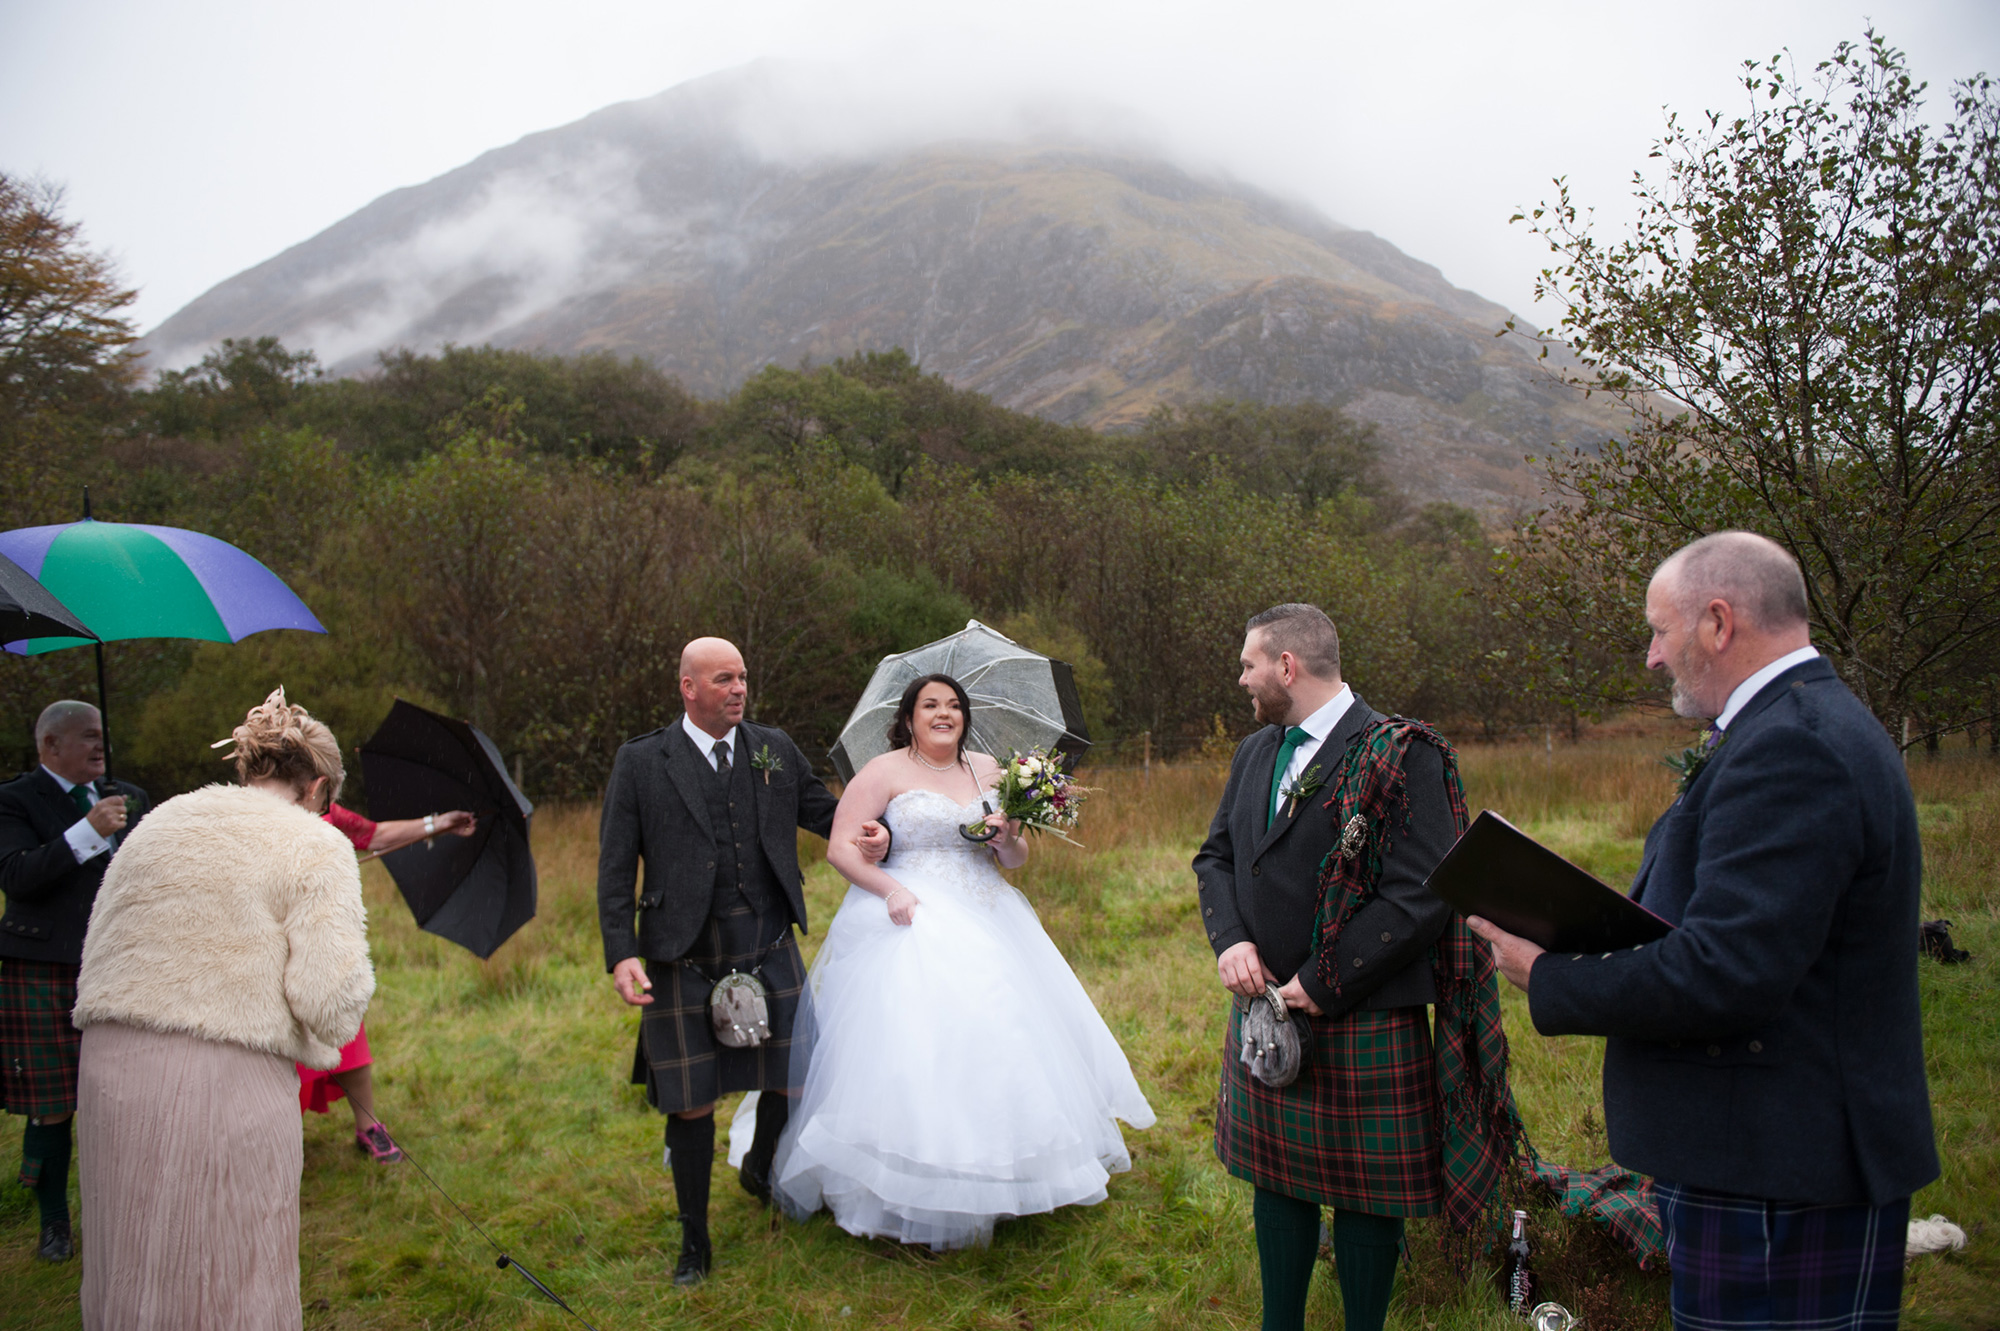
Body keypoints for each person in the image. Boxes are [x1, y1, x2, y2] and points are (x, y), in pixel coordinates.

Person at [1469, 532, 1939, 1330]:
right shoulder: (1795, 726)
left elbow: (1728, 971)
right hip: (1765, 1154)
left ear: (1719, 621)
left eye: (1660, 630)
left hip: (1776, 1168)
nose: (1653, 657)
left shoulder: (1793, 746)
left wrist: (1548, 972)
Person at [1193, 604, 1514, 1331]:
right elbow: (1215, 857)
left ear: (1286, 665)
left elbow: (1422, 891)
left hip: (1363, 1005)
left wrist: (1323, 981)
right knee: (1277, 1180)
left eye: (1248, 664)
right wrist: (1230, 941)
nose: (1240, 678)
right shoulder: (1254, 752)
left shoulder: (1402, 751)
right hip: (1264, 1005)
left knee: (1368, 1194)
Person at [772, 673, 1155, 1250]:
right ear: (909, 718)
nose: (943, 714)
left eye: (953, 705)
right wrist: (888, 888)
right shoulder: (883, 772)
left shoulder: (992, 771)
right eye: (931, 705)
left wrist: (1004, 838)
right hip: (911, 911)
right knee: (923, 1043)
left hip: (989, 911)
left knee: (1007, 1032)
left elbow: (1017, 857)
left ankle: (1003, 1170)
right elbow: (839, 847)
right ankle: (909, 1180)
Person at [72, 686, 373, 1328]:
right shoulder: (313, 842)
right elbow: (329, 1005)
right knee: (229, 1263)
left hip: (107, 1070)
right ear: (318, 787)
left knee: (129, 1256)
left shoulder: (160, 822)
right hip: (223, 1074)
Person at [596, 636, 891, 1287]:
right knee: (692, 1101)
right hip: (683, 954)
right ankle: (694, 1241)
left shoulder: (772, 746)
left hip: (767, 942)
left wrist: (876, 826)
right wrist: (621, 951)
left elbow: (821, 808)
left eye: (743, 677)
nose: (738, 688)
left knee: (796, 1074)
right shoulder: (643, 761)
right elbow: (616, 865)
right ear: (688, 686)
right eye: (724, 679)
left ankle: (760, 1163)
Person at [0, 700, 148, 1262]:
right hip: (43, 968)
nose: (98, 745)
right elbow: (16, 875)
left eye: (101, 735)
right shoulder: (13, 800)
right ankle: (54, 1223)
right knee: (53, 1104)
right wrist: (86, 832)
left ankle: (120, 1214)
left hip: (117, 968)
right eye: (85, 737)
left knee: (121, 1100)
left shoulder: (129, 797)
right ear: (49, 746)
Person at [306, 799, 475, 1162]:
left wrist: (439, 822)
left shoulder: (328, 812)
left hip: (327, 948)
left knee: (348, 1036)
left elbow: (376, 835)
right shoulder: (252, 815)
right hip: (272, 947)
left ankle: (367, 1127)